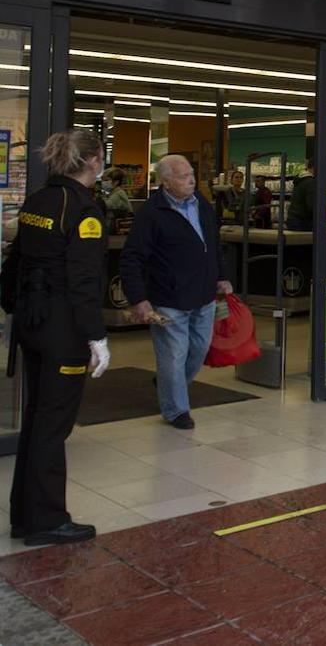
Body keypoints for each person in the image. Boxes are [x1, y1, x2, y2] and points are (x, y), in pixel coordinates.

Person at [1, 131, 111, 546]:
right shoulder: (83, 209)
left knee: (36, 418)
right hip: (62, 329)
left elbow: (17, 259)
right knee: (53, 424)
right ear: (94, 162)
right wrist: (96, 337)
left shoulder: (40, 200)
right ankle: (47, 519)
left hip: (32, 321)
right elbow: (83, 280)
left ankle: (25, 516)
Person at [120, 155, 232, 430]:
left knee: (198, 349)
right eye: (183, 176)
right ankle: (176, 410)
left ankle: (170, 382)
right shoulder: (151, 213)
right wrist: (139, 299)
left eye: (192, 174)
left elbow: (213, 242)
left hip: (203, 294)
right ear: (166, 182)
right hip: (168, 298)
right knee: (173, 355)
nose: (192, 180)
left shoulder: (201, 204)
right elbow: (132, 257)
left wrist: (222, 276)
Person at [287, 160, 316, 232]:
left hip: (293, 219)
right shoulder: (311, 182)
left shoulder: (300, 180)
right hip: (303, 222)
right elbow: (311, 205)